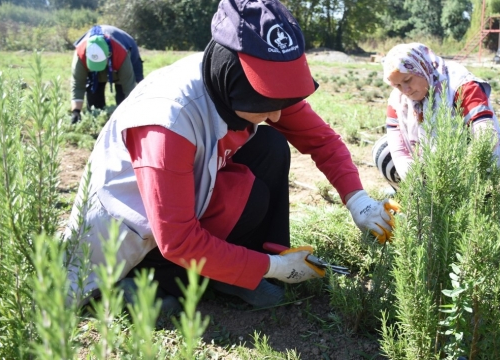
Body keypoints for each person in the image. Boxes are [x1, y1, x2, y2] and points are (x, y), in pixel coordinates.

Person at [65, 0, 399, 310]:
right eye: (268, 106)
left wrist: (358, 200)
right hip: (136, 234)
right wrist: (276, 268)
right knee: (178, 287)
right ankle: (144, 284)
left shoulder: (256, 82)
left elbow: (321, 140)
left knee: (270, 145)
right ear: (235, 81)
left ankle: (243, 268)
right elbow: (177, 240)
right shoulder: (167, 123)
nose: (279, 116)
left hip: (190, 194)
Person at [372, 43, 500, 190]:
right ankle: (410, 197)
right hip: (432, 164)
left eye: (408, 80)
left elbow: (486, 137)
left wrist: (454, 173)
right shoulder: (398, 100)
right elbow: (399, 151)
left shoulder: (461, 85)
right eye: (398, 85)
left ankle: (484, 198)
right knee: (384, 152)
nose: (405, 90)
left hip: (468, 163)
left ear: (422, 68)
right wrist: (416, 185)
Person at [70, 25, 144, 124]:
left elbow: (129, 87)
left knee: (124, 103)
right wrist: (76, 112)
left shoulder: (121, 53)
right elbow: (78, 85)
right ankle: (100, 123)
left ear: (109, 54)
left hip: (124, 56)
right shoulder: (81, 54)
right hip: (98, 70)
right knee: (95, 106)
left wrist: (132, 114)